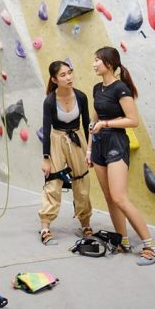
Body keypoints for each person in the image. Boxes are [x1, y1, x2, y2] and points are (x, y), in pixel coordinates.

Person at [88, 46, 155, 265]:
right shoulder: (97, 88)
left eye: (97, 60)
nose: (94, 64)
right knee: (110, 197)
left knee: (120, 197)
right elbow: (93, 122)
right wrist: (89, 149)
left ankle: (150, 246)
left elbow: (133, 120)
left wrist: (107, 123)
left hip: (116, 143)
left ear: (109, 64)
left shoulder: (120, 89)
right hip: (99, 144)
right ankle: (123, 241)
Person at [38, 60, 92, 246]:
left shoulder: (81, 97)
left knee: (82, 182)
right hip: (57, 140)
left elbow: (87, 125)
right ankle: (45, 228)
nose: (68, 77)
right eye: (63, 75)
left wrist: (90, 150)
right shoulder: (50, 101)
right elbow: (46, 130)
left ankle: (85, 224)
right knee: (53, 183)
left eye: (69, 72)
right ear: (54, 79)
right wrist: (46, 158)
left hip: (77, 140)